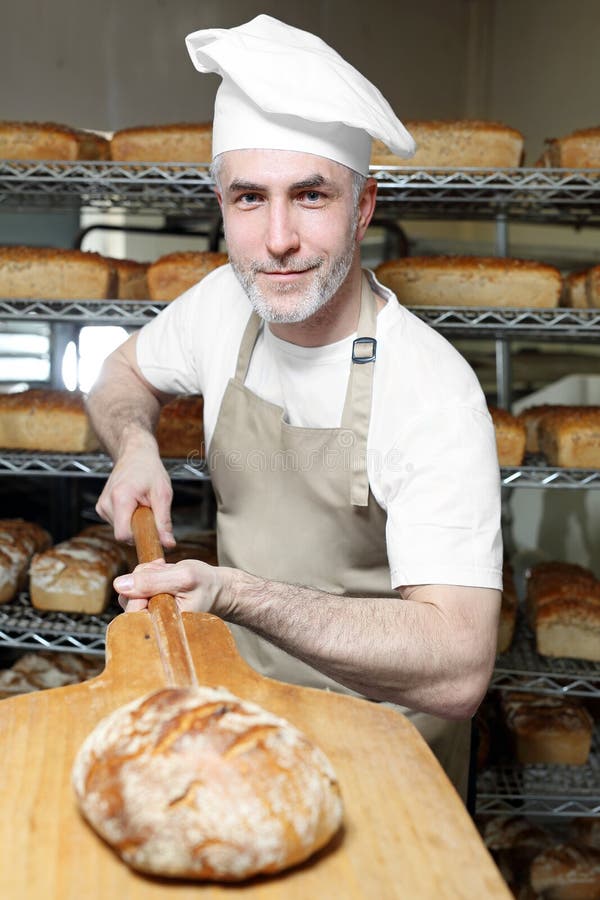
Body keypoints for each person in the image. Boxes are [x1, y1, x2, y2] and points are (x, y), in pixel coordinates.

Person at [87, 15, 502, 800]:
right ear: (221, 202)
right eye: (250, 198)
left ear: (363, 205)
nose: (276, 239)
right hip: (239, 739)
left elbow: (458, 666)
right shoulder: (220, 305)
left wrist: (235, 592)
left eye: (310, 195)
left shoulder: (432, 389)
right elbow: (119, 373)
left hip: (386, 768)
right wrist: (135, 441)